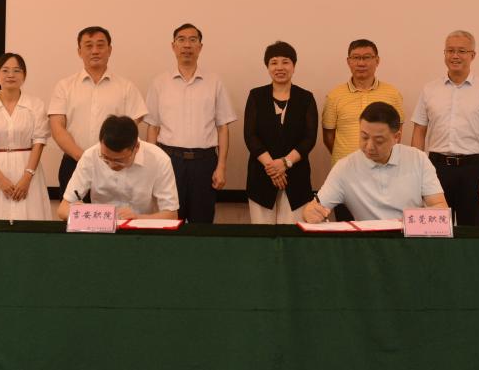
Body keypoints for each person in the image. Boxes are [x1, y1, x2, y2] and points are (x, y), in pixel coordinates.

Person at [145, 23, 237, 223]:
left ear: (200, 47)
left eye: (193, 40)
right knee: (169, 221)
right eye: (181, 40)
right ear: (173, 46)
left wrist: (221, 166)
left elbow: (223, 127)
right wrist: (152, 166)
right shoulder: (159, 82)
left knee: (202, 223)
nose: (187, 45)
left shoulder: (214, 82)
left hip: (204, 163)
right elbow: (153, 127)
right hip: (170, 162)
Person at [410, 30, 479, 226]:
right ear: (444, 53)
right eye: (450, 50)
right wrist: (417, 172)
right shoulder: (429, 90)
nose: (455, 56)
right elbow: (419, 131)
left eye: (461, 51)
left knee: (471, 234)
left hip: (473, 171)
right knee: (435, 231)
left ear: (473, 55)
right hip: (437, 169)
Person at [302, 102, 447, 223]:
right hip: (368, 242)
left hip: (409, 239)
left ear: (396, 137)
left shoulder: (417, 159)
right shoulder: (345, 167)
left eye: (379, 140)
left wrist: (405, 223)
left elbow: (440, 208)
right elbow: (316, 207)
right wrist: (310, 212)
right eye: (364, 137)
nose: (369, 146)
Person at [48, 26, 147, 198]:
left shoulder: (126, 88)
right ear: (79, 51)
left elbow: (130, 130)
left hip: (115, 167)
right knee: (75, 213)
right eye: (88, 46)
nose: (95, 51)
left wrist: (109, 159)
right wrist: (84, 158)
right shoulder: (64, 86)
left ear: (110, 50)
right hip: (74, 164)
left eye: (100, 45)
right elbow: (57, 129)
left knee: (113, 214)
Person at [321, 38, 404, 220]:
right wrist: (349, 157)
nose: (361, 63)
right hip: (347, 176)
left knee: (383, 229)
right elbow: (328, 136)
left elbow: (396, 134)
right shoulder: (335, 95)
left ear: (377, 60)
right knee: (346, 229)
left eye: (367, 57)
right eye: (356, 58)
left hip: (384, 176)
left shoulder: (392, 93)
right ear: (348, 61)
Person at [0, 52, 52, 220]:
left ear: (24, 75)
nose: (11, 75)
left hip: (28, 172)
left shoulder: (35, 105)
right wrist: (0, 179)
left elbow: (39, 142)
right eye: (5, 70)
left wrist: (27, 177)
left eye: (17, 70)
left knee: (29, 220)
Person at [242, 41, 318, 224]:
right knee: (263, 234)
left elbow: (309, 138)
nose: (280, 67)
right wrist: (273, 168)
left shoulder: (306, 98)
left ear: (294, 66)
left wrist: (285, 163)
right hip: (261, 176)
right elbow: (250, 136)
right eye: (274, 62)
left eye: (285, 62)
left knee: (292, 234)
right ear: (267, 67)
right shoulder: (256, 96)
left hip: (296, 178)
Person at [58, 115, 179, 221]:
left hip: (142, 231)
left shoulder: (159, 160)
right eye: (105, 158)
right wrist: (81, 212)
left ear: (136, 147)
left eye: (119, 160)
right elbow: (63, 209)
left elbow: (171, 215)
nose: (112, 165)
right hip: (101, 230)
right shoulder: (91, 156)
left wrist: (137, 218)